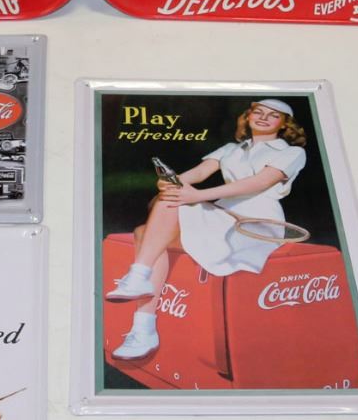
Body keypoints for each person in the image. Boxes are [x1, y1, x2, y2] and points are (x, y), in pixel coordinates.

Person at [106, 99, 308, 361]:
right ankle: (143, 326)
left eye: (273, 115)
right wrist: (171, 182)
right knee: (145, 232)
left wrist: (197, 195)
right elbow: (199, 173)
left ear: (284, 124)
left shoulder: (292, 152)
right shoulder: (231, 149)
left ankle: (139, 286)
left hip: (256, 224)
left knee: (157, 221)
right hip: (220, 216)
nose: (263, 117)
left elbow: (258, 182)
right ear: (248, 117)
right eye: (258, 112)